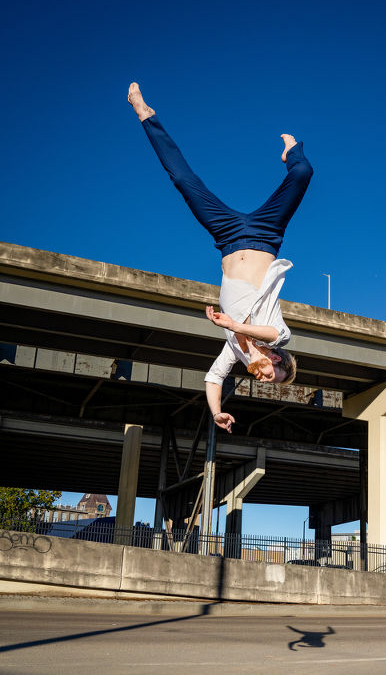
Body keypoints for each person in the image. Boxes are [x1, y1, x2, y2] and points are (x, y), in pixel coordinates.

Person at [128, 83, 313, 433]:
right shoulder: (278, 338)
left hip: (228, 237)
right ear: (276, 359)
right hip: (265, 235)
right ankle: (293, 152)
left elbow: (214, 378)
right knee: (303, 173)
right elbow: (270, 331)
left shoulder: (237, 352)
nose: (263, 380)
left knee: (183, 180)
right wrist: (234, 325)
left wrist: (216, 412)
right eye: (271, 376)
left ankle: (145, 115)